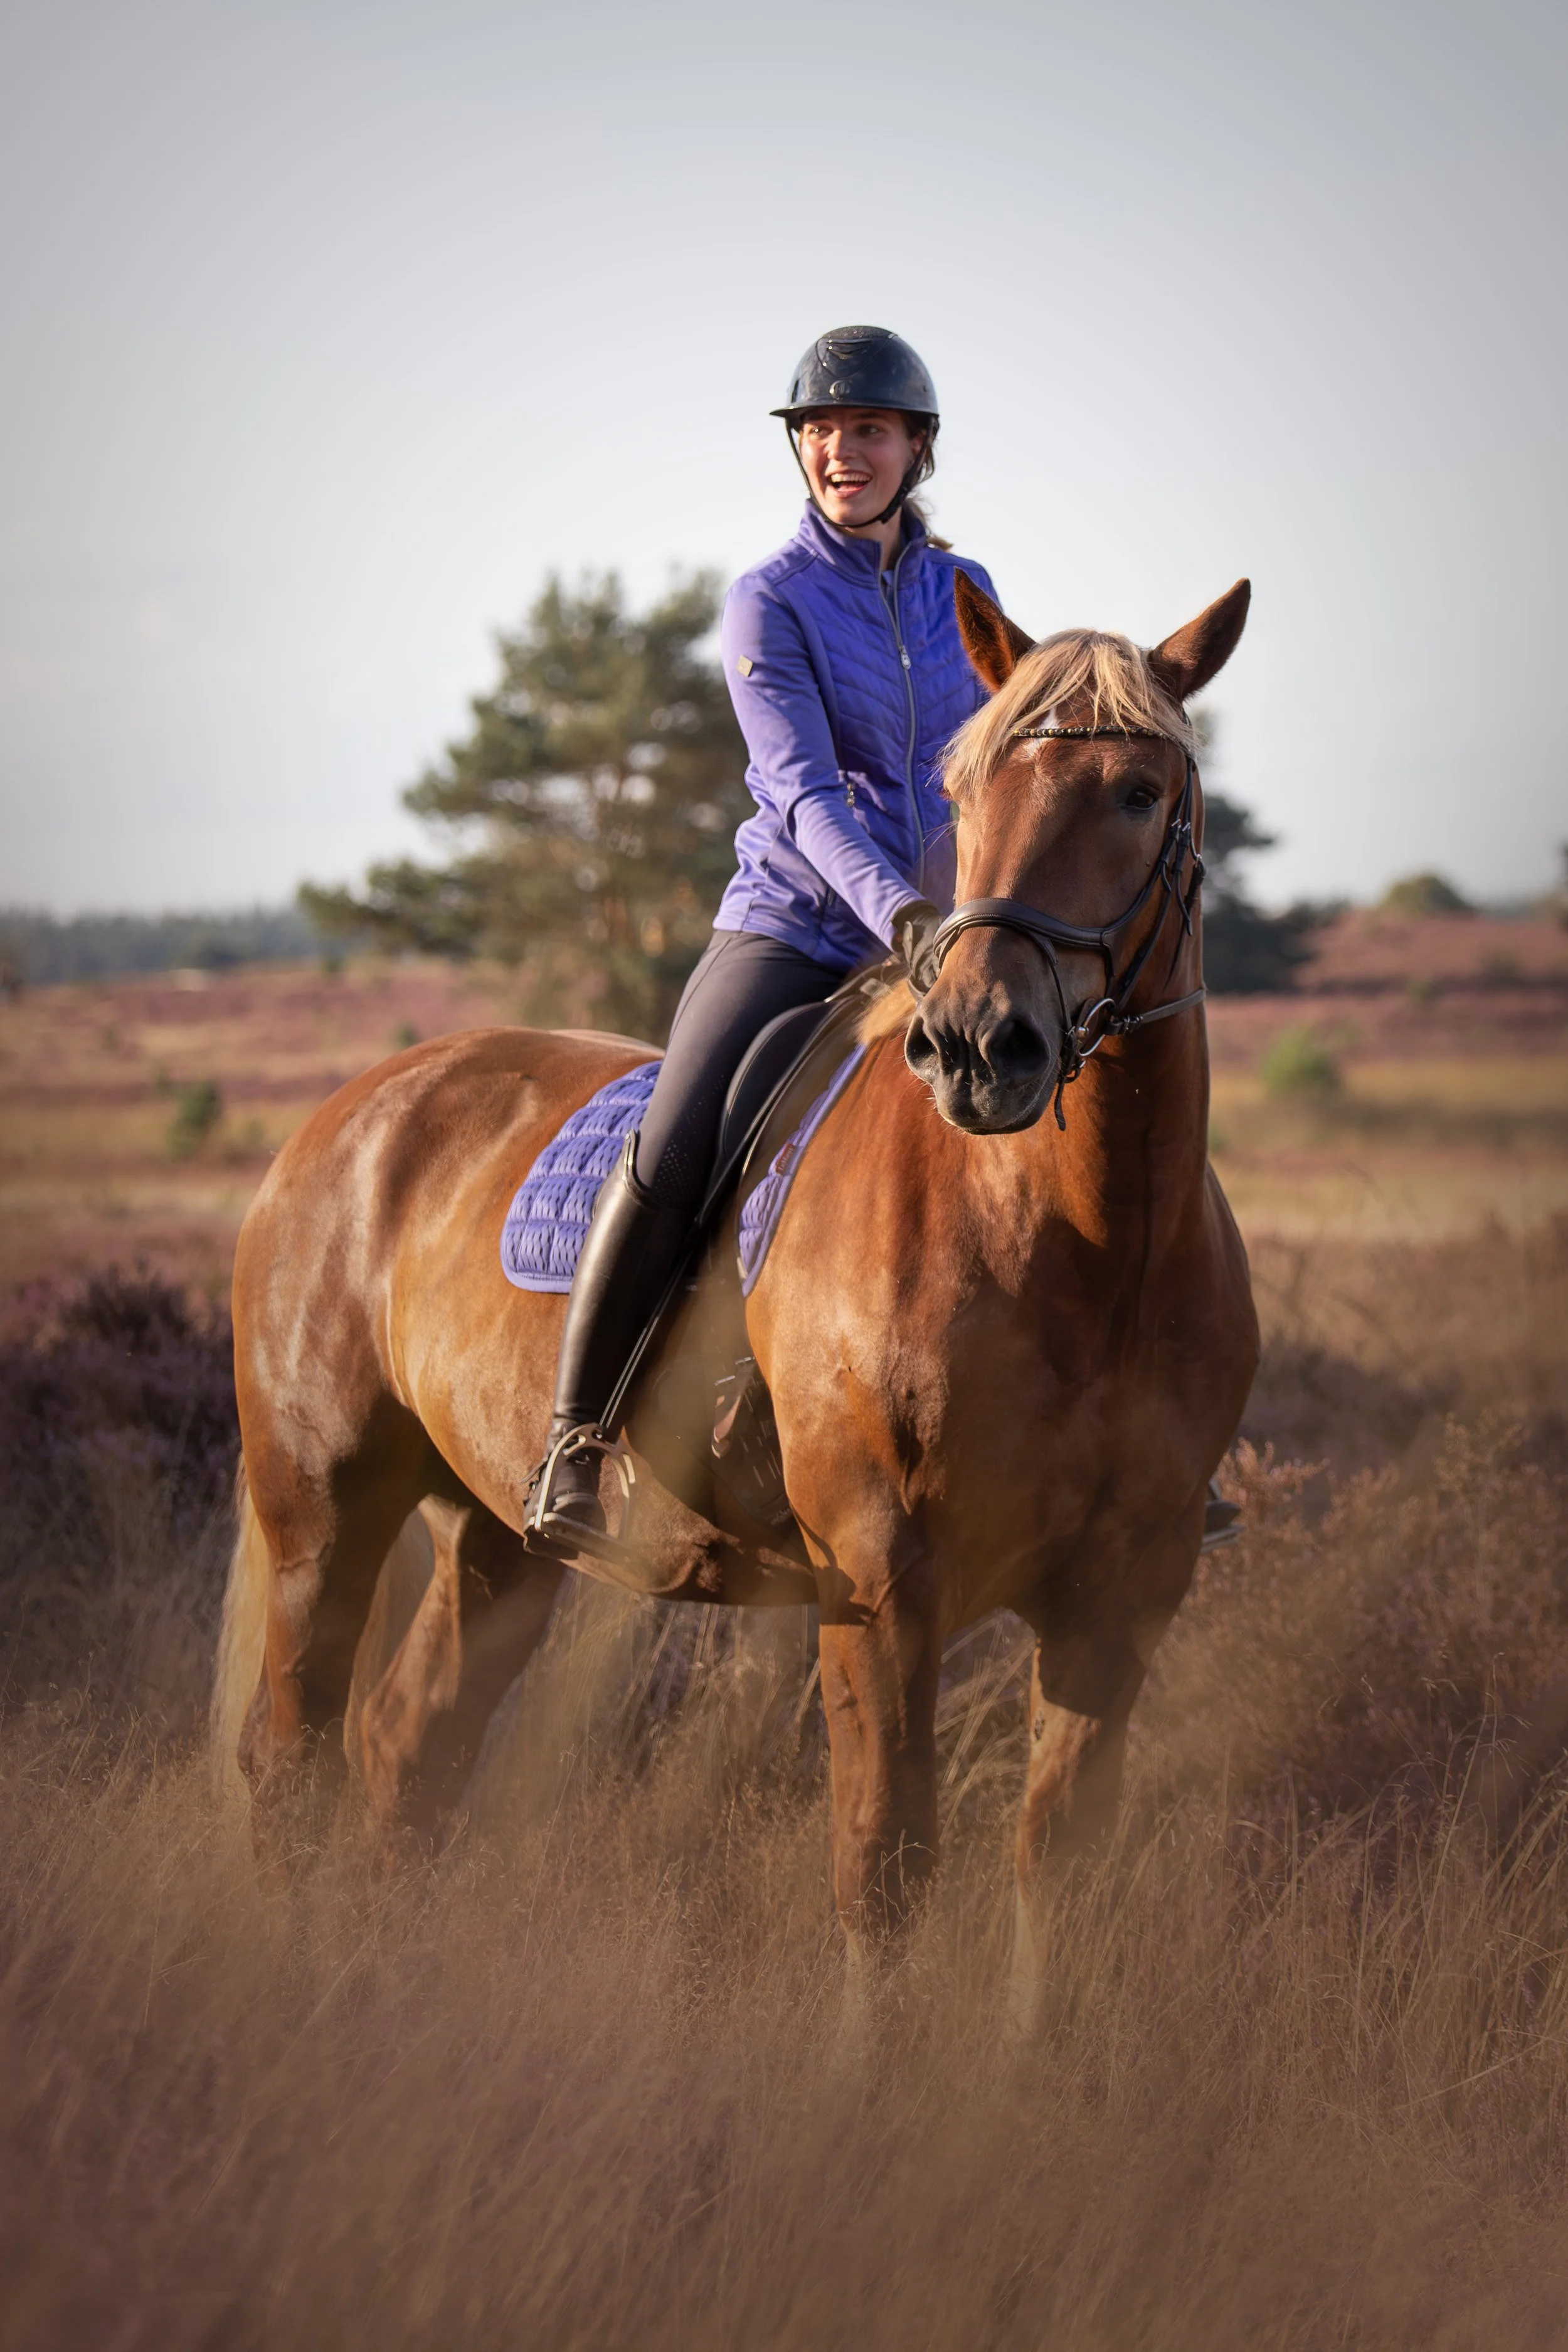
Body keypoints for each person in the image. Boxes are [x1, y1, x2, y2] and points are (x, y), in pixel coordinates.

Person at [531, 324, 1002, 1537]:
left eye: (871, 431)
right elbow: (804, 793)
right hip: (795, 928)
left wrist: (964, 908)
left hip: (939, 932)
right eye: (824, 432)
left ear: (917, 449)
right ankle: (577, 1439)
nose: (845, 451)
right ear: (802, 450)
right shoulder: (769, 600)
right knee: (683, 1132)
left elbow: (983, 774)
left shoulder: (969, 596)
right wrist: (898, 910)